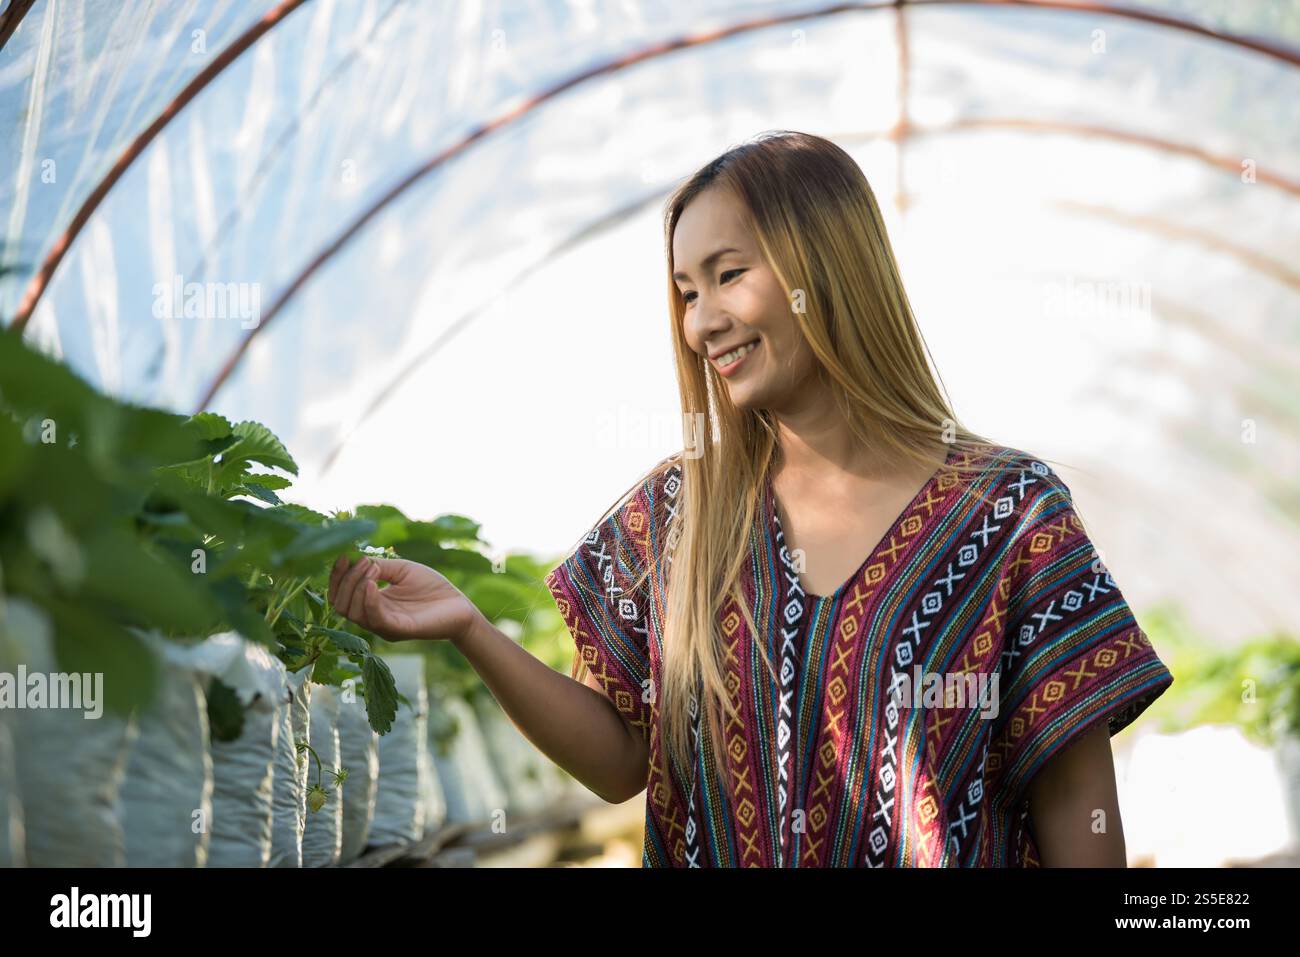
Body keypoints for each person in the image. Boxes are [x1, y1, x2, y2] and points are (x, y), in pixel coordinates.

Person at [328, 130, 1173, 867]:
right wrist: (471, 627)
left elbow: (1074, 801)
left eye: (728, 275)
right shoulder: (672, 517)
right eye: (687, 292)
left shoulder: (1010, 510)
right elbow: (621, 759)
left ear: (825, 267)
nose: (701, 323)